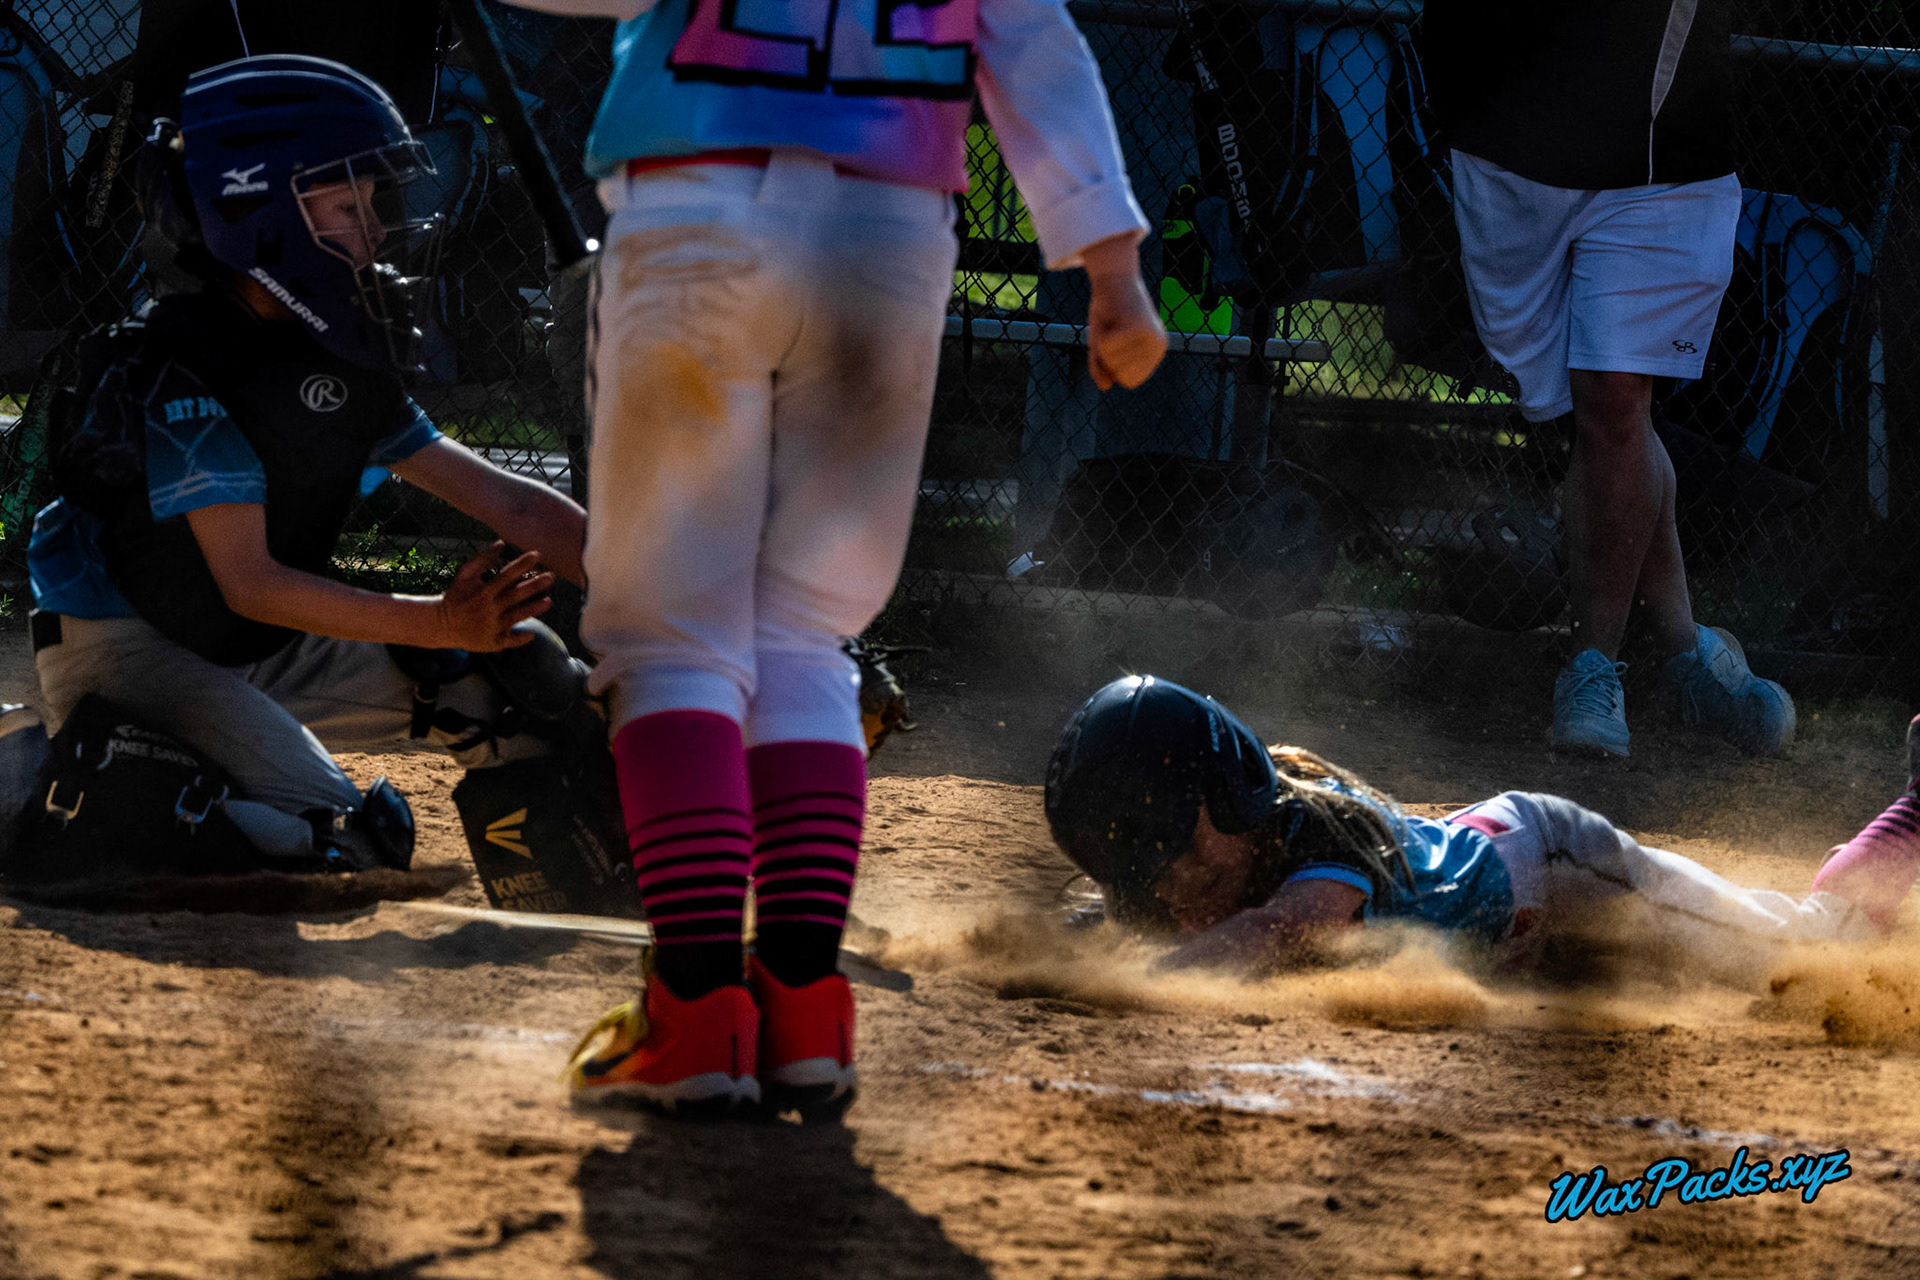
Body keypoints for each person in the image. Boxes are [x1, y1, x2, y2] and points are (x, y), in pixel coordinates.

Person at [509, 0, 1168, 1116]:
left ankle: (695, 1013)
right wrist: (1111, 263)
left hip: (700, 202)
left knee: (672, 638)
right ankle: (807, 1013)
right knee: (806, 633)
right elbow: (1036, 43)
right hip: (888, 231)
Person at [26, 56, 588, 873]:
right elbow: (249, 582)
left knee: (522, 679)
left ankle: (586, 888)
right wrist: (439, 621)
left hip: (258, 647)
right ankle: (34, 776)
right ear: (260, 217)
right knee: (340, 847)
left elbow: (521, 510)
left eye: (373, 203)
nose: (378, 230)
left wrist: (667, 612)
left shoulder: (334, 350)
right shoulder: (183, 365)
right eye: (348, 206)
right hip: (131, 650)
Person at [1420, 1, 1793, 759]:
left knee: (1614, 402)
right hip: (1506, 148)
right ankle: (1686, 655)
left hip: (1661, 161)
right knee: (1594, 421)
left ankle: (1592, 670)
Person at [1044, 677, 1916, 986]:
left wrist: (1136, 981)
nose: (1175, 885)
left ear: (1235, 794)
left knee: (1800, 957)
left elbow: (1278, 932)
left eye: (1181, 849)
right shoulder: (1189, 877)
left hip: (1558, 862)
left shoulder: (1314, 836)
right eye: (1144, 872)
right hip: (1500, 899)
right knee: (1640, 978)